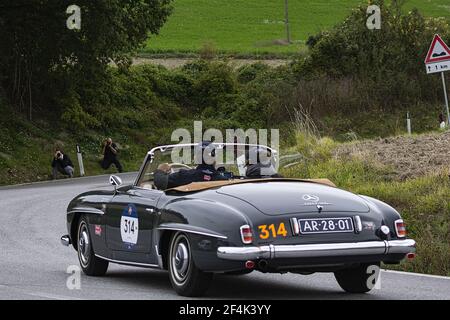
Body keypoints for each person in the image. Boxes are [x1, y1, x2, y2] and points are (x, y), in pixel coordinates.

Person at [153, 141, 230, 190]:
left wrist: (161, 169)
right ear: (214, 158)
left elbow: (159, 182)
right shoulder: (223, 180)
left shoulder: (183, 176)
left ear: (196, 158)